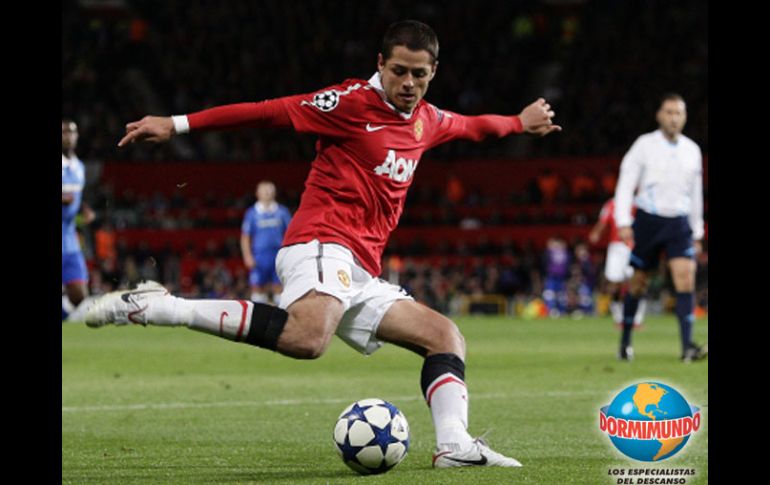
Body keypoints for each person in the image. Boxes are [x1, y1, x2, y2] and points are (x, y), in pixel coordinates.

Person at [86, 20, 560, 467]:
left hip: (360, 267)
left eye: (419, 74)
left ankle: (454, 443)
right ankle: (162, 306)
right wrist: (178, 123)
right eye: (398, 71)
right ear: (380, 64)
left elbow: (476, 126)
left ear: (433, 72)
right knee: (308, 339)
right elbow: (266, 112)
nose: (408, 83)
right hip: (320, 240)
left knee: (444, 337)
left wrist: (520, 121)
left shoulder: (427, 120)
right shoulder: (348, 103)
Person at [613, 93, 706, 363]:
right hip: (649, 220)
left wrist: (696, 230)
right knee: (639, 283)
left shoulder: (692, 150)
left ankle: (687, 346)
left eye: (679, 113)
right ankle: (626, 341)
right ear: (659, 115)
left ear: (685, 117)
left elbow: (696, 193)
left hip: (678, 222)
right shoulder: (644, 145)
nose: (674, 118)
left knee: (685, 277)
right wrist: (622, 221)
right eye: (669, 112)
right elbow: (626, 182)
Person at [588, 198, 646, 333]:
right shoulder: (611, 204)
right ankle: (619, 318)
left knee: (637, 283)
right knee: (614, 284)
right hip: (616, 247)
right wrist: (596, 232)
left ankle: (637, 320)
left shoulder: (640, 203)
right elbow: (603, 221)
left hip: (634, 246)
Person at [62, 119, 95, 321]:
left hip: (70, 241)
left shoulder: (79, 167)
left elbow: (77, 197)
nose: (67, 135)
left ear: (77, 137)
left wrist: (84, 210)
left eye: (71, 132)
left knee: (79, 295)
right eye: (64, 132)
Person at [240, 180, 292, 305]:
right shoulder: (251, 213)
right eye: (264, 190)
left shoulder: (282, 212)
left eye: (270, 190)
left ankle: (280, 318)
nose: (267, 193)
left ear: (274, 193)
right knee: (257, 288)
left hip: (278, 255)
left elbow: (291, 233)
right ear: (257, 193)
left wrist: (290, 254)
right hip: (259, 256)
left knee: (279, 287)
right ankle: (259, 320)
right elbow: (245, 237)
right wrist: (247, 256)